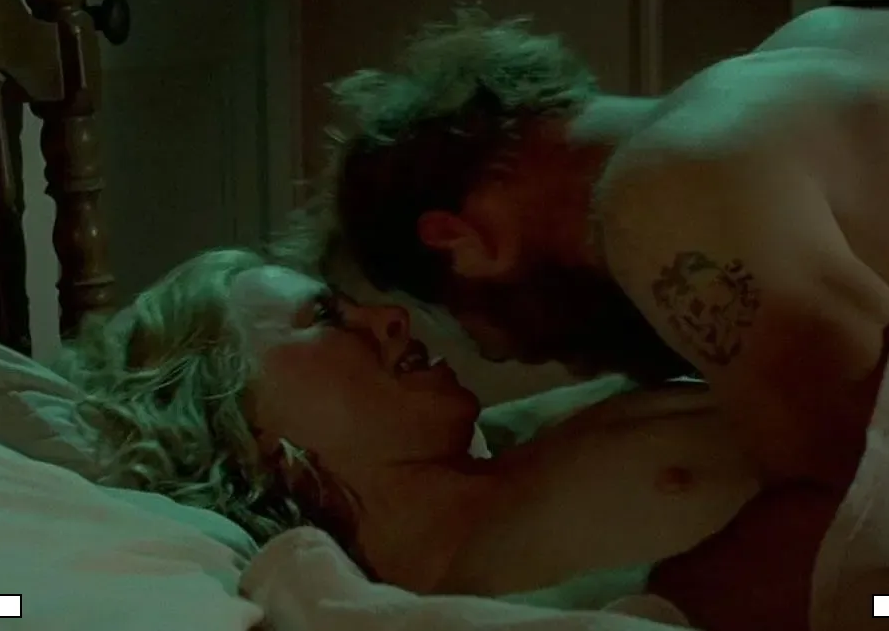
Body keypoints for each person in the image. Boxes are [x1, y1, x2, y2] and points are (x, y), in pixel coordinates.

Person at [298, 7, 889, 630]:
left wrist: (547, 611)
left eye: (483, 329)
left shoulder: (668, 192)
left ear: (461, 240)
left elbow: (867, 518)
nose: (539, 357)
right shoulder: (833, 41)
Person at [54, 248, 765, 622]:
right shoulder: (451, 608)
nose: (389, 316)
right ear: (250, 431)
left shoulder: (532, 433)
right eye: (325, 317)